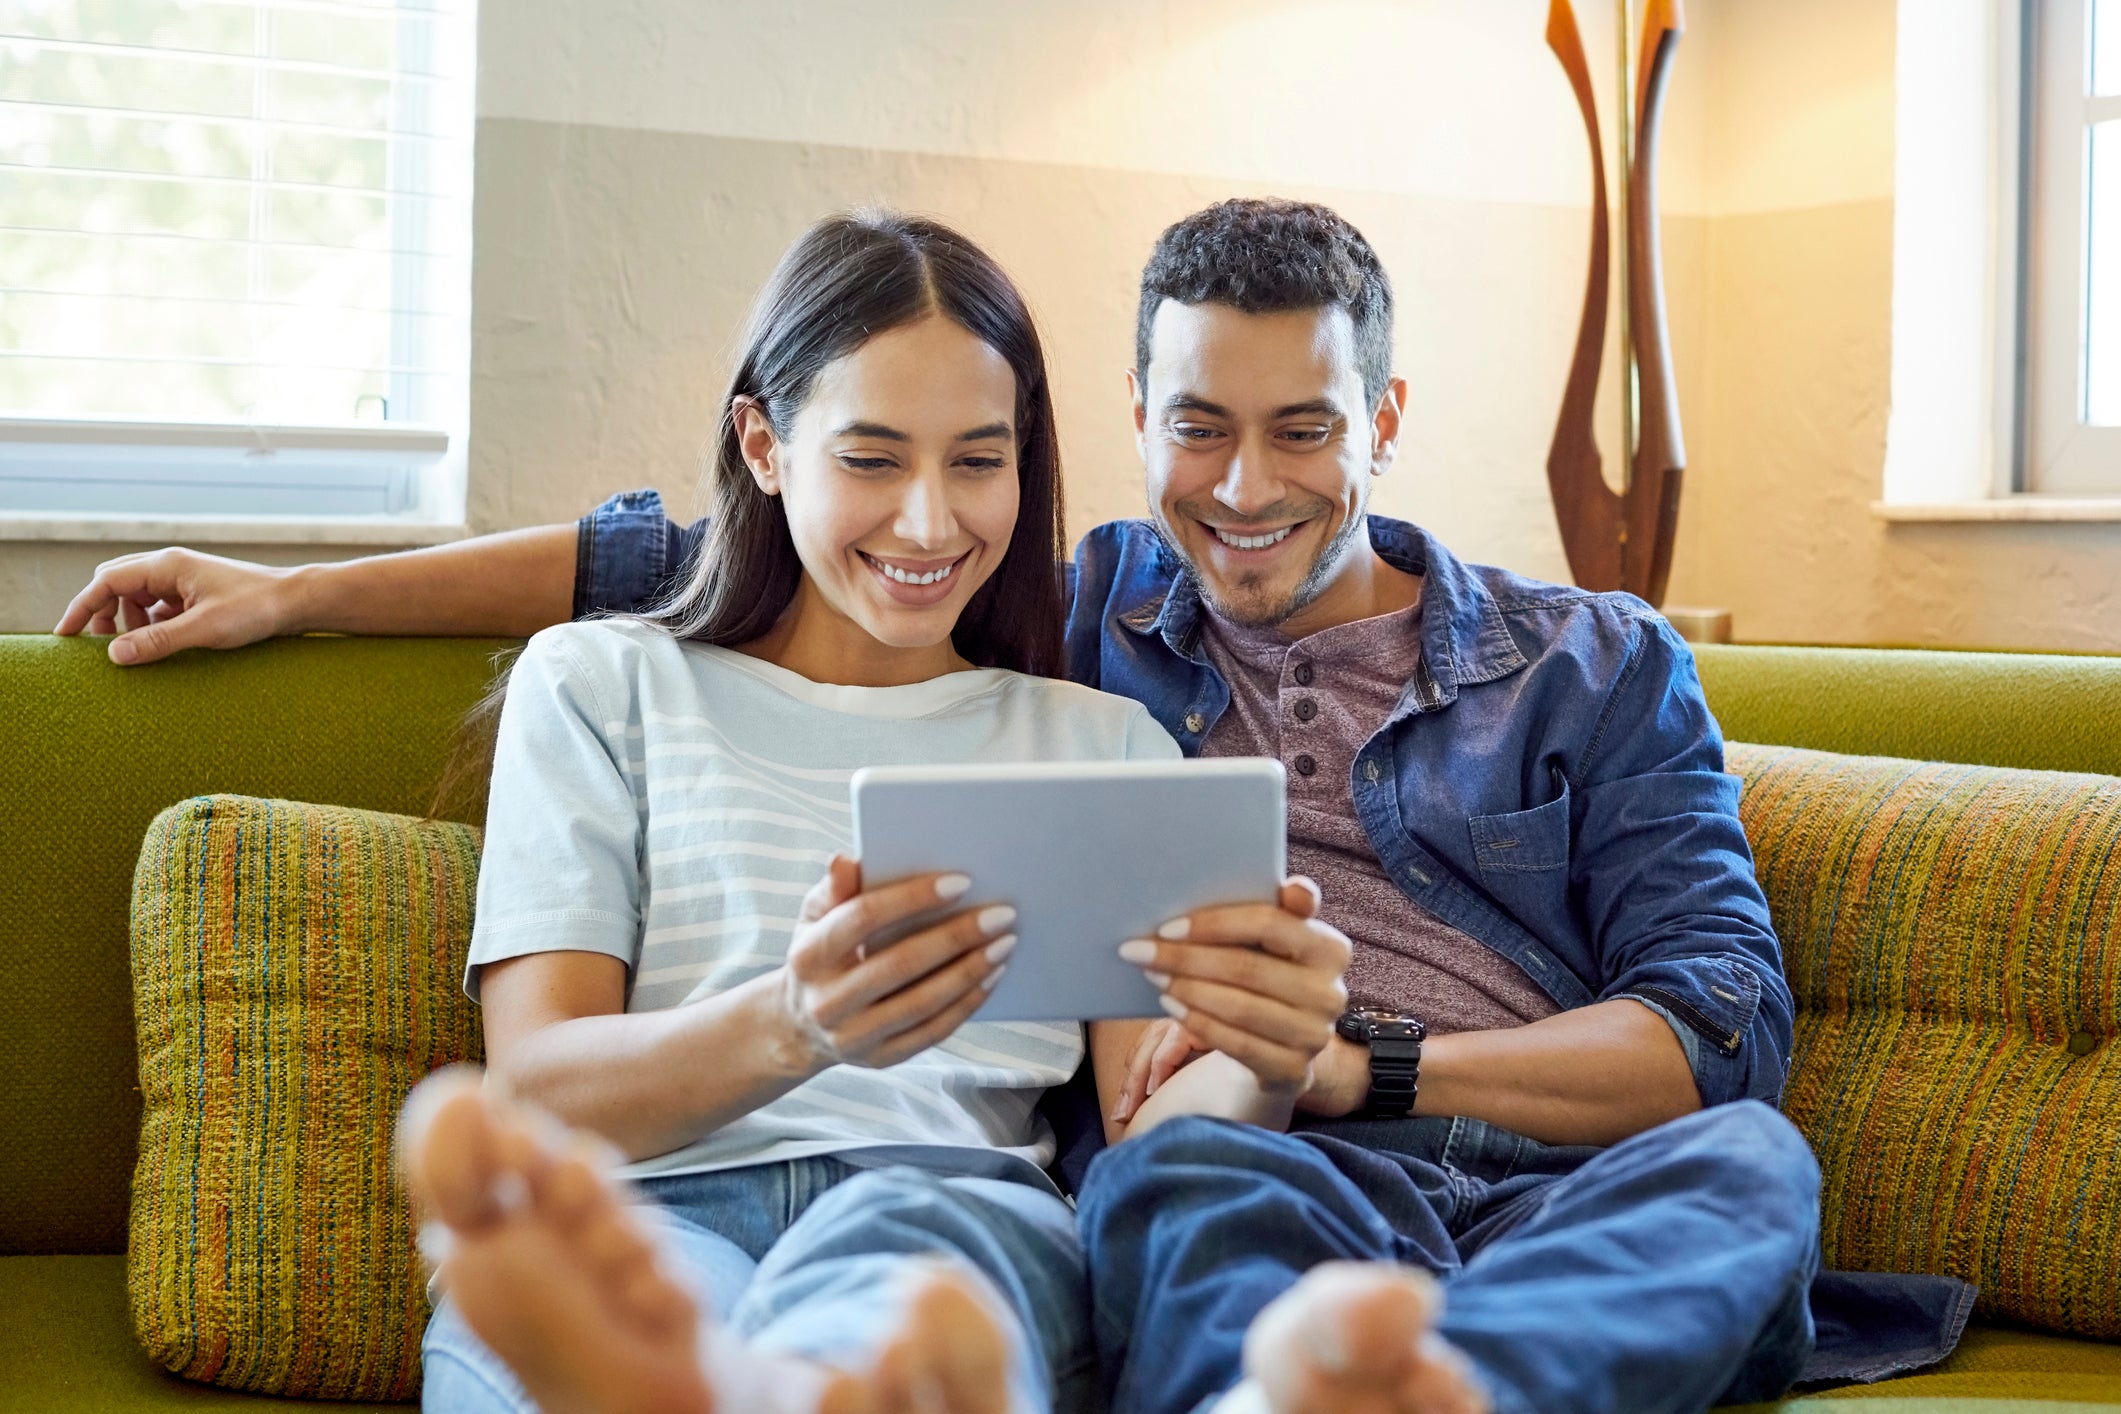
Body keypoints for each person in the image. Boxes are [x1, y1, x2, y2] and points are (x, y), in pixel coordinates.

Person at [59, 199, 1967, 1413]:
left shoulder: (1548, 663)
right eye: (1195, 425)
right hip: (1201, 1168)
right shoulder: (1006, 619)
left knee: (1751, 1171)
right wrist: (301, 590)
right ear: (1135, 431)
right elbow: (678, 549)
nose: (1240, 484)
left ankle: (1398, 1396)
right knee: (1184, 1184)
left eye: (1301, 425)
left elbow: (1712, 1023)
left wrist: (1322, 1051)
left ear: (1383, 424)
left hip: (1382, 1167)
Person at [398, 209, 1354, 1414]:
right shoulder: (599, 685)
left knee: (899, 1286)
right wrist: (796, 1021)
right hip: (640, 1210)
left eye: (976, 459)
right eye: (870, 457)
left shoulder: (1097, 741)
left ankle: (752, 1387)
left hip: (946, 1207)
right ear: (763, 444)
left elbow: (1151, 1124)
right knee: (617, 1291)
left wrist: (1265, 1059)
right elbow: (533, 1092)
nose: (928, 521)